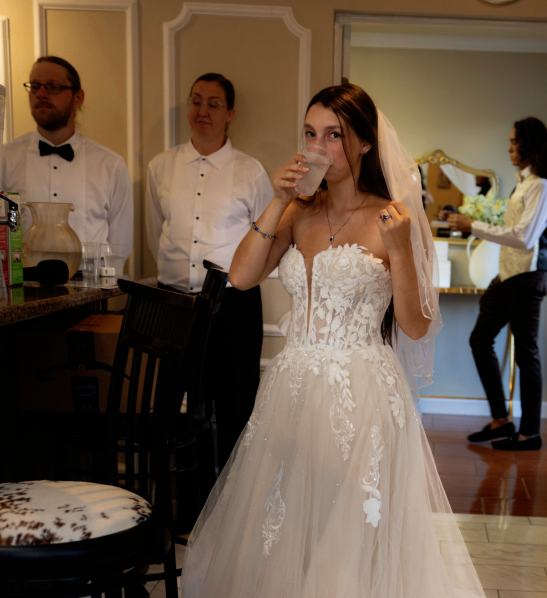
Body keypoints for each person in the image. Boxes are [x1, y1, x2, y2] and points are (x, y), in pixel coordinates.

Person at [180, 84, 484, 598]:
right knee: (290, 522)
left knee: (350, 531)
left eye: (334, 136)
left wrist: (400, 250)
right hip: (292, 388)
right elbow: (241, 276)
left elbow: (415, 326)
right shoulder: (297, 211)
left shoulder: (392, 216)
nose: (317, 148)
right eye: (310, 134)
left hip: (361, 393)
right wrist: (278, 201)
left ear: (365, 143)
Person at [145, 73, 274, 491]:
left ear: (230, 113)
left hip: (232, 306)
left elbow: (266, 241)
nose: (202, 111)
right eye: (196, 101)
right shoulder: (160, 167)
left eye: (214, 104)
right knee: (174, 409)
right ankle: (185, 502)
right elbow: (154, 232)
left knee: (235, 407)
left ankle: (233, 506)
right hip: (174, 305)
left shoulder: (250, 172)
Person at [446, 117, 547, 451]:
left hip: (528, 278)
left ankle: (530, 434)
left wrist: (473, 225)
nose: (509, 148)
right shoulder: (522, 185)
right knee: (480, 340)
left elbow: (525, 238)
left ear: (530, 145)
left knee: (527, 355)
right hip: (507, 277)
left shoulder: (541, 186)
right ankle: (501, 420)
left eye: (514, 142)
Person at [1, 56, 132, 256]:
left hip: (90, 285)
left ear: (78, 98)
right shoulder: (4, 159)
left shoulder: (110, 165)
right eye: (35, 86)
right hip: (23, 284)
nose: (41, 94)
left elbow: (119, 248)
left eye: (52, 87)